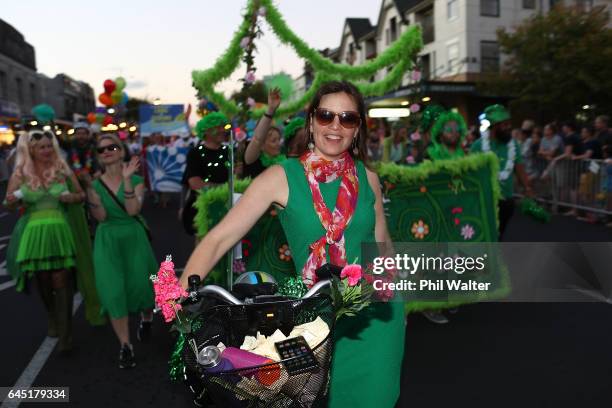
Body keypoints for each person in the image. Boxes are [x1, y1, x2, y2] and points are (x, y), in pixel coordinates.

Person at [180, 81, 405, 407]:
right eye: (327, 115)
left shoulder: (367, 178)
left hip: (377, 319)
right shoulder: (281, 177)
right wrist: (180, 293)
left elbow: (383, 245)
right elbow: (219, 238)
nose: (336, 126)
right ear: (312, 121)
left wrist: (400, 295)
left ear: (357, 130)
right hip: (316, 323)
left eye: (348, 118)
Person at [3, 129, 85, 354]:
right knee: (44, 281)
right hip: (34, 233)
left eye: (50, 146)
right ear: (31, 150)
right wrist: (11, 201)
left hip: (60, 230)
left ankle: (66, 336)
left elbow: (81, 195)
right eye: (42, 147)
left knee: (62, 279)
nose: (47, 150)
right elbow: (8, 205)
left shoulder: (62, 169)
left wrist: (71, 197)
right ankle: (52, 316)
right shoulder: (20, 172)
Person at [85, 133, 156, 368]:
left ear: (122, 151)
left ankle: (147, 318)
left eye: (111, 147)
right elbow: (101, 216)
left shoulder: (136, 180)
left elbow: (133, 210)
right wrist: (90, 193)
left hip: (133, 237)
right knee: (113, 291)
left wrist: (126, 180)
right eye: (101, 149)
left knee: (141, 287)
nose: (106, 151)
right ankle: (126, 345)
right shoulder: (94, 185)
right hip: (108, 240)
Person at [470, 105, 533, 240]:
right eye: (504, 124)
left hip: (506, 199)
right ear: (494, 126)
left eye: (509, 124)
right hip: (484, 199)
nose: (508, 127)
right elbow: (470, 172)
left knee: (499, 234)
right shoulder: (478, 146)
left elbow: (519, 168)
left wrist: (527, 188)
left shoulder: (513, 145)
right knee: (486, 234)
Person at [181, 113, 231, 236]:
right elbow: (195, 184)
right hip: (202, 207)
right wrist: (227, 187)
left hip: (227, 206)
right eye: (217, 127)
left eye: (222, 127)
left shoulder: (230, 152)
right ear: (206, 131)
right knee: (203, 245)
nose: (222, 130)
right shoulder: (195, 153)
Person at [243, 88, 286, 178]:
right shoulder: (252, 158)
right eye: (274, 140)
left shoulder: (284, 161)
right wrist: (271, 109)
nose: (278, 144)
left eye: (279, 139)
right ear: (262, 146)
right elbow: (257, 139)